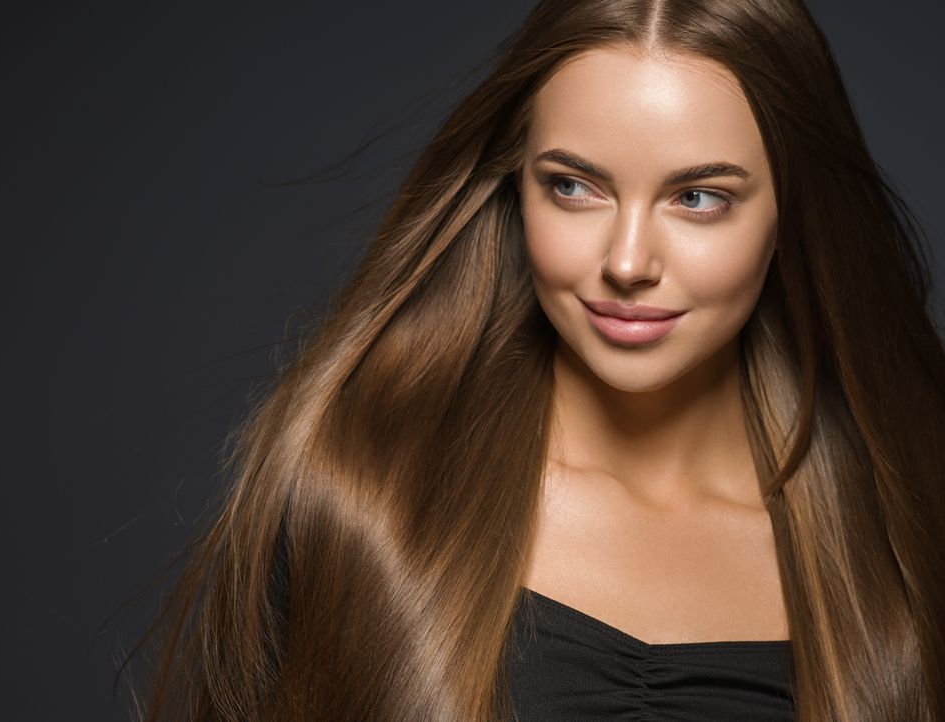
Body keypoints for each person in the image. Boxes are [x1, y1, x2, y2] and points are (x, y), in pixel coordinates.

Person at [121, 0, 945, 720]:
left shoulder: (903, 536)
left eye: (699, 197)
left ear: (791, 213)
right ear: (516, 184)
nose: (627, 261)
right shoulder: (364, 495)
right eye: (574, 187)